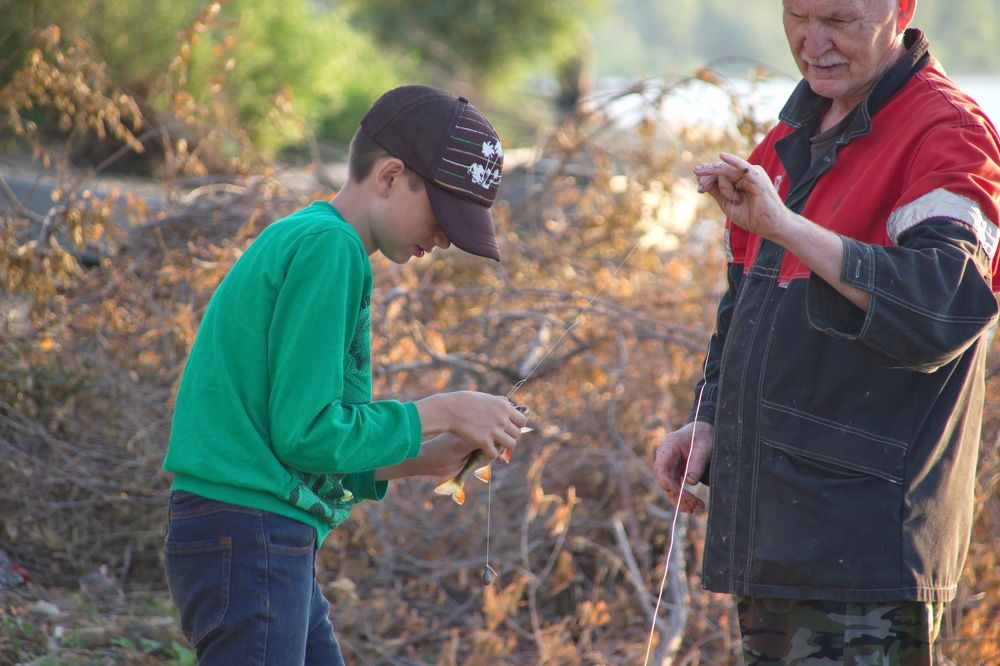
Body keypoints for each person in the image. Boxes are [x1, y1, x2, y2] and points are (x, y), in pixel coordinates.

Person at [654, 1, 1000, 663]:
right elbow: (744, 308)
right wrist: (710, 418)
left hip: (867, 558)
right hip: (774, 546)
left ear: (901, 8)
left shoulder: (948, 132)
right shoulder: (787, 138)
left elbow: (943, 305)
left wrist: (786, 226)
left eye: (840, 19)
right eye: (796, 15)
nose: (814, 43)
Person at [162, 85, 529, 665]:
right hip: (251, 535)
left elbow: (305, 447)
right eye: (442, 214)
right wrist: (444, 408)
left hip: (256, 534)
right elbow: (306, 431)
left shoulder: (314, 239)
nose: (442, 238)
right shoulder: (330, 249)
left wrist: (418, 459)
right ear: (388, 176)